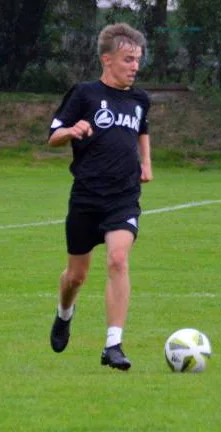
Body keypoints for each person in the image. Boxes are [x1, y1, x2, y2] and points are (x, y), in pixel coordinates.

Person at [46, 23, 152, 371]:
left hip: (123, 196)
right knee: (76, 276)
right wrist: (71, 130)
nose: (135, 66)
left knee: (118, 259)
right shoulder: (84, 94)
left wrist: (146, 163)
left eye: (137, 60)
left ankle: (113, 345)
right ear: (107, 60)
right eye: (128, 60)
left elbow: (142, 129)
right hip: (87, 197)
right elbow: (53, 136)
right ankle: (64, 312)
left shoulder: (140, 99)